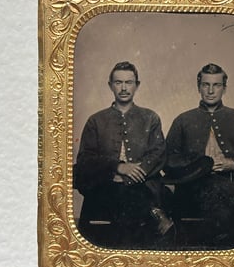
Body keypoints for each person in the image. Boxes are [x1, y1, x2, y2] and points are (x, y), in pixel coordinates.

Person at [74, 61, 173, 249]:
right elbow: (85, 159)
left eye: (129, 82)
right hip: (106, 187)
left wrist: (134, 173)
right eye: (118, 82)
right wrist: (118, 167)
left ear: (137, 85)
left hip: (142, 186)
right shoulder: (96, 120)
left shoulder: (150, 117)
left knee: (135, 206)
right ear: (110, 85)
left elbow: (158, 152)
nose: (124, 88)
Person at [165, 63, 234, 249]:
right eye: (206, 85)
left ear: (224, 88)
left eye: (216, 85)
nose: (210, 90)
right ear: (198, 87)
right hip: (194, 188)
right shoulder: (183, 120)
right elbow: (168, 160)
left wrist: (233, 164)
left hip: (233, 183)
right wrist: (201, 166)